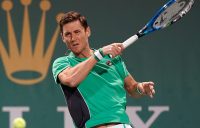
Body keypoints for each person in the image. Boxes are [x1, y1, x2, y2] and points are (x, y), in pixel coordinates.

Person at [52, 11, 155, 128]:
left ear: (87, 31)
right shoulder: (63, 63)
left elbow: (132, 88)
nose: (73, 38)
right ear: (62, 38)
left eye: (77, 32)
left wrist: (141, 88)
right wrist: (98, 55)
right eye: (68, 34)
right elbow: (71, 80)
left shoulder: (113, 59)